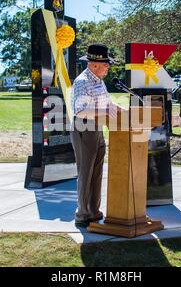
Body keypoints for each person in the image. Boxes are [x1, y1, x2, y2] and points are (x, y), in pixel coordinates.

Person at [70, 43, 124, 228]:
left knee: (97, 171)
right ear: (94, 64)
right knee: (86, 172)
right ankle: (82, 213)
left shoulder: (98, 80)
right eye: (106, 64)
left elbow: (108, 103)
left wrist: (126, 111)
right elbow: (80, 111)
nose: (108, 67)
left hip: (98, 128)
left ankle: (93, 211)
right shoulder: (82, 81)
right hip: (84, 128)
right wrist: (106, 109)